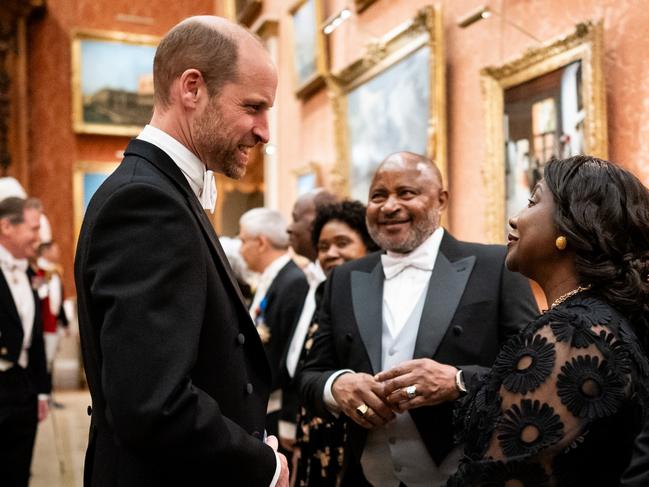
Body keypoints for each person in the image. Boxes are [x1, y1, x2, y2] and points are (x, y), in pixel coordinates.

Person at [74, 16, 289, 486]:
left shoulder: (161, 191)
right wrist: (263, 465)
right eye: (253, 107)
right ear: (191, 88)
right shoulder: (147, 202)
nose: (264, 131)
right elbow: (153, 403)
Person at [299, 152, 539, 486]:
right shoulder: (344, 279)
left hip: (468, 474)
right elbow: (310, 375)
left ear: (441, 200)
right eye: (377, 196)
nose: (389, 206)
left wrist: (456, 381)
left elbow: (533, 372)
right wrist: (336, 385)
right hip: (367, 476)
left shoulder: (495, 266)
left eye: (406, 193)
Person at [447, 155, 649, 486]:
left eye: (532, 201)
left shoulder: (572, 335)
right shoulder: (597, 320)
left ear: (571, 226)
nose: (514, 219)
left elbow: (506, 476)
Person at [293, 199, 379, 486]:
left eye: (342, 243)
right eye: (323, 247)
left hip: (350, 441)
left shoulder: (377, 298)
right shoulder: (319, 293)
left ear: (368, 245)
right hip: (313, 431)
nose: (331, 254)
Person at [238, 208, 309, 447]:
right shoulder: (274, 277)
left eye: (243, 240)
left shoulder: (293, 281)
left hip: (277, 403)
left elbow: (293, 351)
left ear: (260, 243)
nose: (240, 249)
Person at [280, 189, 338, 450]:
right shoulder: (311, 278)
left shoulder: (338, 286)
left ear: (316, 222)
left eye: (295, 218)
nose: (289, 228)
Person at [0, 197, 50, 487]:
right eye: (33, 228)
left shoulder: (32, 274)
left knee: (18, 473)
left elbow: (37, 336)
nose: (39, 237)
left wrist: (41, 390)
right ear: (6, 226)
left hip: (24, 391)